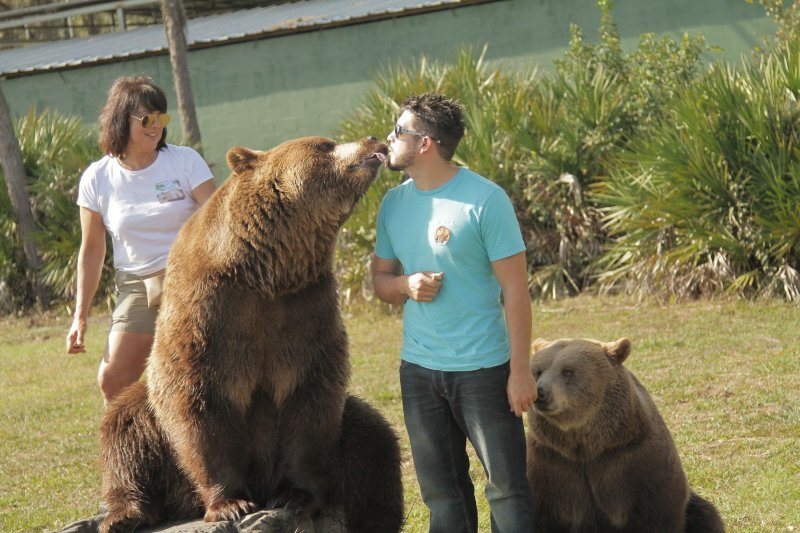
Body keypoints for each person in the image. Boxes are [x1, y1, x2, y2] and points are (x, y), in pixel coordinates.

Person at [371, 92, 537, 532]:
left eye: (399, 131)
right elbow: (381, 283)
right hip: (419, 372)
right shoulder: (393, 205)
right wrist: (405, 286)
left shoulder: (485, 200)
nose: (390, 138)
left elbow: (516, 291)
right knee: (442, 494)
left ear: (425, 143)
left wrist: (519, 371)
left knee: (506, 488)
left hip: (484, 371)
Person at [65, 76, 216, 406]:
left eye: (162, 117)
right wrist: (80, 316)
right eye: (147, 119)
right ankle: (134, 453)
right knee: (113, 379)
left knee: (198, 377)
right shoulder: (98, 178)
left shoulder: (185, 160)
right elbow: (92, 251)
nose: (156, 126)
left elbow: (218, 221)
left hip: (194, 278)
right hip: (139, 285)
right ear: (121, 121)